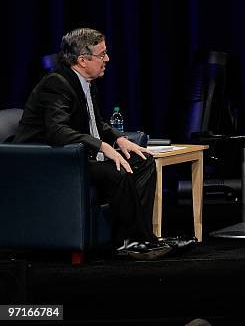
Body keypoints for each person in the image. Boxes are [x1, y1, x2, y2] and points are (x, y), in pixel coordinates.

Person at [14, 28, 191, 259]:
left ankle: (140, 237)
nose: (107, 59)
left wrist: (118, 138)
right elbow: (58, 131)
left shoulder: (87, 82)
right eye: (102, 54)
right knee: (115, 171)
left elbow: (96, 122)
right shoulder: (56, 84)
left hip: (74, 155)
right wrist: (102, 147)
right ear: (82, 60)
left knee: (142, 162)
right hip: (49, 162)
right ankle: (130, 242)